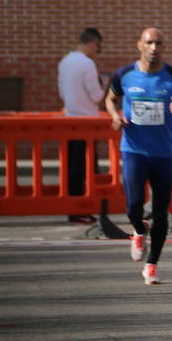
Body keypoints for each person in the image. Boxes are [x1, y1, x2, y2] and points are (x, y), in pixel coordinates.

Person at [105, 28, 172, 285]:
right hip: (133, 150)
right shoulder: (124, 74)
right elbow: (110, 99)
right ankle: (137, 229)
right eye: (149, 42)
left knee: (161, 211)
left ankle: (152, 264)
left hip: (163, 154)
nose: (154, 47)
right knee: (133, 205)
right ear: (139, 45)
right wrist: (114, 116)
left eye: (158, 43)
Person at [57, 28, 106, 224]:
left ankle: (74, 208)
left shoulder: (65, 61)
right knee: (88, 167)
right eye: (99, 47)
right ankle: (83, 208)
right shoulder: (87, 63)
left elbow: (61, 92)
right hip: (87, 121)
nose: (98, 51)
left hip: (70, 120)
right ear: (93, 43)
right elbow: (96, 95)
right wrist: (105, 85)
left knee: (73, 167)